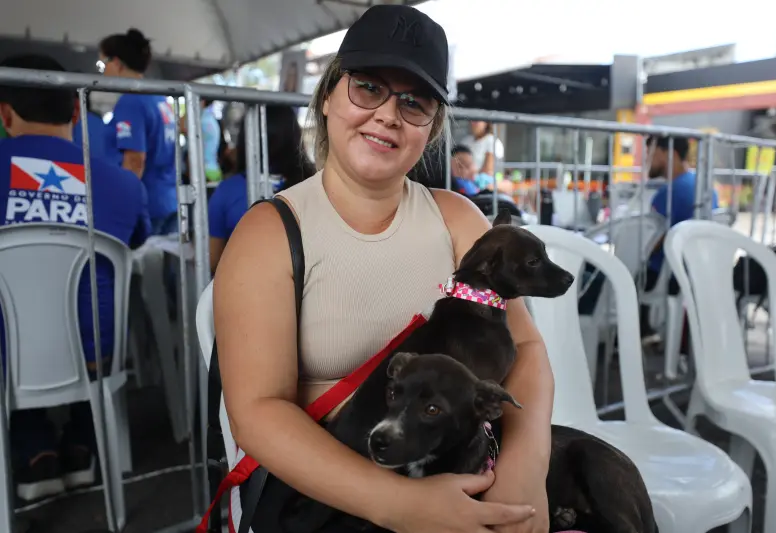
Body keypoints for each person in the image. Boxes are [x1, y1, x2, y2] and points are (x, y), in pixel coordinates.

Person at [214, 5, 552, 533]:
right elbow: (257, 409)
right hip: (330, 497)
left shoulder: (457, 220)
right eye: (368, 88)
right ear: (328, 95)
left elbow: (526, 346)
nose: (389, 114)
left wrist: (525, 469)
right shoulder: (271, 233)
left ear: (432, 127)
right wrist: (400, 504)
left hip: (459, 468)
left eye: (414, 103)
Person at [0, 54, 150, 501]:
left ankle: (34, 453)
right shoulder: (124, 185)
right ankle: (83, 444)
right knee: (90, 314)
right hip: (98, 353)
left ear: (4, 114)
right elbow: (135, 242)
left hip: (8, 360)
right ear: (76, 111)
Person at [208, 105, 315, 272]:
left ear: (246, 139)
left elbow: (211, 259)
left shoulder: (228, 191)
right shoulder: (317, 185)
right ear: (295, 137)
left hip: (245, 291)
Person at [99, 28, 178, 235]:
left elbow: (134, 161)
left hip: (147, 206)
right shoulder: (159, 98)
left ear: (116, 63)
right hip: (168, 199)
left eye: (102, 64)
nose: (101, 71)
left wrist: (122, 207)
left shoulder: (131, 101)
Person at [645, 135, 719, 292]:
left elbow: (648, 244)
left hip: (662, 277)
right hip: (696, 274)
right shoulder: (706, 188)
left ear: (670, 153)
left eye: (651, 154)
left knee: (587, 273)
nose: (646, 161)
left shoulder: (669, 193)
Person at [461, 120, 504, 187]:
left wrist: (468, 173)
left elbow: (487, 170)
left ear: (486, 123)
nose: (473, 123)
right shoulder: (466, 141)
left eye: (477, 121)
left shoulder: (492, 141)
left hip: (482, 186)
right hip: (463, 182)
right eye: (472, 120)